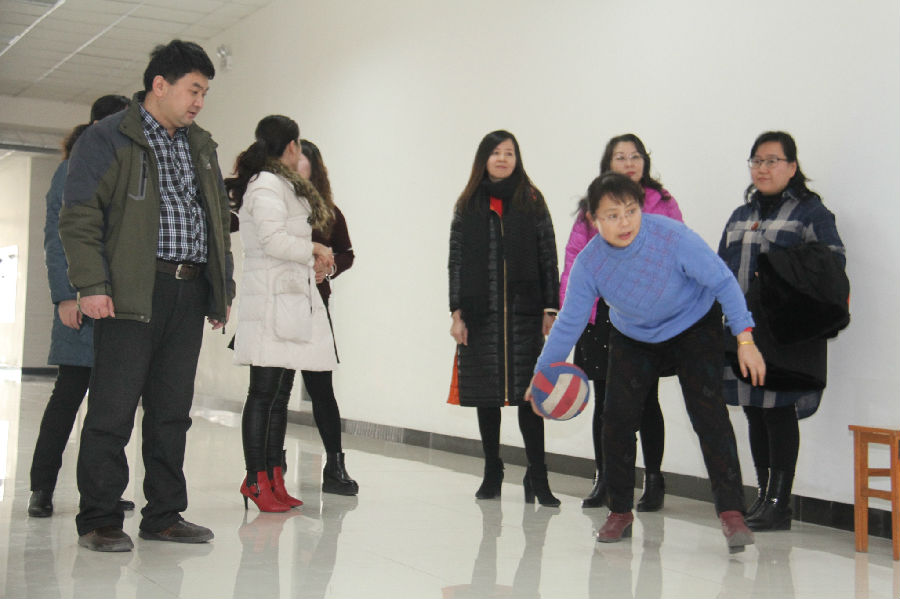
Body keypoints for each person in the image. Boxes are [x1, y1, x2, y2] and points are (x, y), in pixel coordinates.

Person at [59, 40, 234, 551]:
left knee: (172, 411)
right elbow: (80, 216)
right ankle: (100, 518)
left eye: (204, 92)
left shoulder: (200, 145)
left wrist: (220, 289)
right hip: (131, 290)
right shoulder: (109, 137)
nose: (199, 101)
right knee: (112, 410)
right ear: (160, 84)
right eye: (193, 89)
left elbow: (215, 221)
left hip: (188, 289)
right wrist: (91, 285)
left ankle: (164, 514)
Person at [528, 172, 763, 552]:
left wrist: (745, 338)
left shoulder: (671, 236)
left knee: (709, 415)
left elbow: (722, 281)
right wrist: (543, 373)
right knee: (616, 419)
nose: (624, 223)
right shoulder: (589, 263)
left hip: (693, 324)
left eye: (630, 211)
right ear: (593, 219)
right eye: (612, 215)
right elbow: (570, 321)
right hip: (634, 335)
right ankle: (619, 511)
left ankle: (732, 513)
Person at [718, 131, 846, 531]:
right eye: (756, 161)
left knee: (778, 410)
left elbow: (832, 264)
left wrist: (779, 270)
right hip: (744, 332)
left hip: (784, 332)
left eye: (772, 161)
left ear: (791, 167)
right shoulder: (741, 215)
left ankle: (780, 502)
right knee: (754, 410)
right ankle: (764, 496)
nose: (763, 169)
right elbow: (721, 270)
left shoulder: (812, 213)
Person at [561, 133, 683, 511]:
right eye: (620, 157)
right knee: (605, 402)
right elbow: (575, 257)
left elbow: (677, 253)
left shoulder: (663, 203)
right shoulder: (592, 207)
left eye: (635, 156)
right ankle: (606, 478)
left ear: (645, 161)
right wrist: (570, 310)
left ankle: (654, 479)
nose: (629, 163)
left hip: (646, 315)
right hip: (601, 315)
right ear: (608, 164)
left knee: (646, 400)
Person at [226, 116, 341, 512]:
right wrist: (313, 249)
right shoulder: (265, 185)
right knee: (262, 394)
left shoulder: (280, 184)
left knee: (277, 396)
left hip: (286, 299)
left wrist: (316, 259)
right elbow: (274, 240)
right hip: (269, 302)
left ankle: (273, 476)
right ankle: (255, 478)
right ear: (291, 146)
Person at [27, 95, 133, 519]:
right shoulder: (70, 170)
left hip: (119, 306)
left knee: (112, 408)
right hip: (80, 303)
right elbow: (58, 240)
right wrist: (66, 296)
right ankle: (41, 487)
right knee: (67, 399)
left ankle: (103, 490)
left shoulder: (127, 169)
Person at [448, 130, 561, 506]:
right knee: (487, 398)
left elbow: (547, 254)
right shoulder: (468, 203)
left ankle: (537, 475)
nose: (502, 158)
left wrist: (550, 308)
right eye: (495, 152)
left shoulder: (531, 199)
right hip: (481, 316)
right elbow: (456, 261)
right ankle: (492, 469)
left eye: (509, 152)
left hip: (525, 314)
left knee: (531, 398)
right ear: (484, 159)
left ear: (517, 158)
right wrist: (457, 312)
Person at [298, 139, 359, 495]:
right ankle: (270, 461)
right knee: (273, 390)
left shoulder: (328, 211)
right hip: (277, 306)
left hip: (316, 307)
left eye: (303, 160)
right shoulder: (272, 206)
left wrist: (330, 267)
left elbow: (347, 253)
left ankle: (335, 465)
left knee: (322, 387)